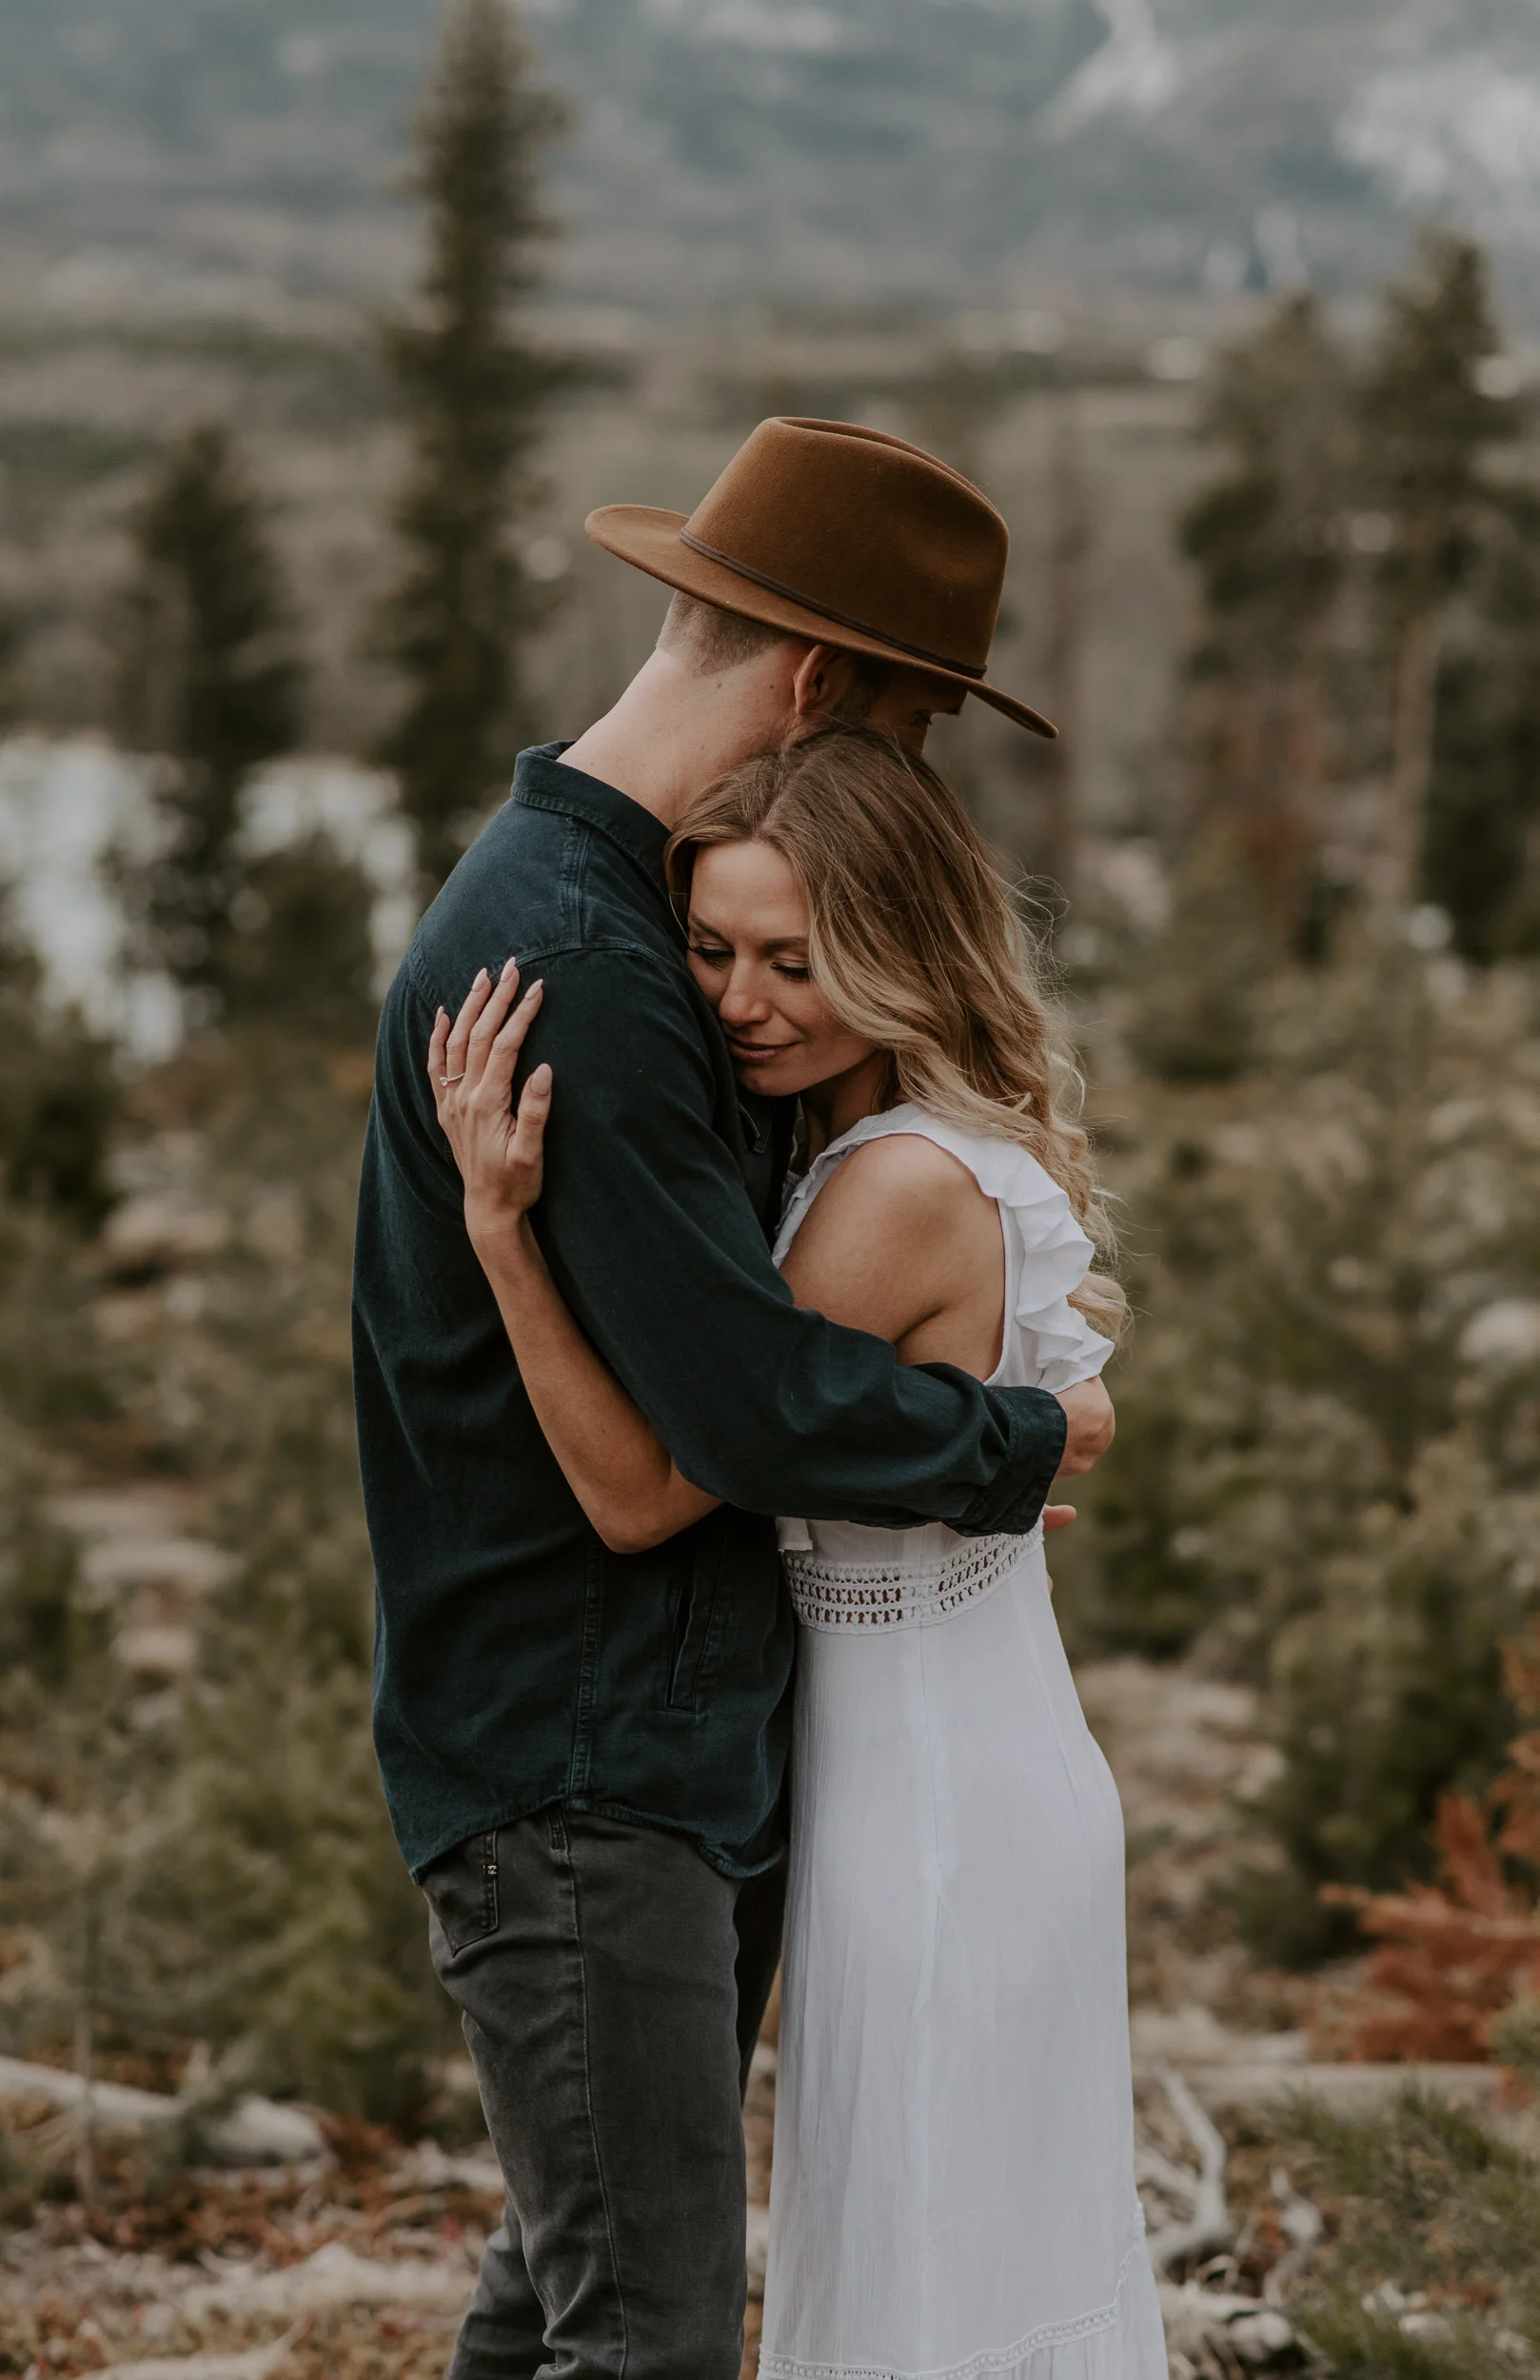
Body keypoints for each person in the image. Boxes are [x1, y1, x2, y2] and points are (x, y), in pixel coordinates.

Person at [352, 417, 1116, 2380]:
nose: (901, 781)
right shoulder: (583, 960)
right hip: (586, 1750)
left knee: (564, 2298)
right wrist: (1018, 1440)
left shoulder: (613, 924)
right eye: (909, 727)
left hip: (638, 1746)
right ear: (813, 687)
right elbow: (752, 1407)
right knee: (648, 2340)